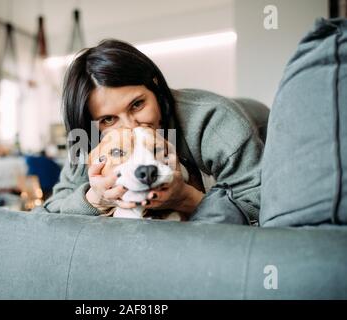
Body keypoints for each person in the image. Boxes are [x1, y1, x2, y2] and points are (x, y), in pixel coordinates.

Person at [42, 39, 267, 225]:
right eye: (109, 119)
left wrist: (185, 199)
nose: (131, 127)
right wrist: (96, 200)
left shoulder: (216, 120)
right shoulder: (89, 139)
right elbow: (48, 213)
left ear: (155, 85)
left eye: (137, 105)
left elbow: (261, 209)